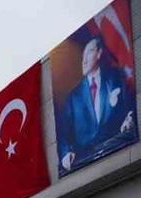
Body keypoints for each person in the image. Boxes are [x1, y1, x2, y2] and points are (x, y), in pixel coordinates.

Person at [58, 36, 135, 173]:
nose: (84, 60)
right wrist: (65, 153)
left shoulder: (115, 78)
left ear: (99, 53)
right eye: (83, 55)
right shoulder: (73, 97)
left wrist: (130, 118)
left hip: (117, 150)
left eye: (89, 52)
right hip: (85, 160)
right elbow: (63, 133)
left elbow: (130, 106)